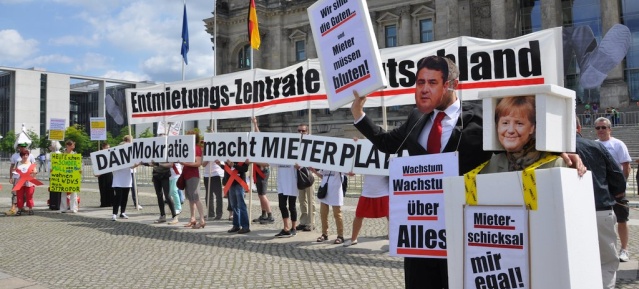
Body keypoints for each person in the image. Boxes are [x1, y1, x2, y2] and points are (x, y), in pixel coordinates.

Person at [351, 55, 491, 289]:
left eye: (432, 83)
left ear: (452, 84)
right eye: (420, 82)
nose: (424, 89)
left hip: (463, 231)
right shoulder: (417, 117)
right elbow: (388, 143)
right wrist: (358, 113)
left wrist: (556, 153)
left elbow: (514, 142)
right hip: (420, 234)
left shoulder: (483, 115)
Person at [576, 118, 625, 289]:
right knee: (606, 261)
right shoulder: (596, 146)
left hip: (569, 214)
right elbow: (618, 179)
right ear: (579, 127)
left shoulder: (550, 149)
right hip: (600, 208)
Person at [479, 95, 565, 173]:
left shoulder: (556, 165)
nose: (511, 130)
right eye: (505, 123)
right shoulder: (489, 166)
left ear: (532, 128)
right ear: (497, 126)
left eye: (519, 123)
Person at [594, 116, 632, 262]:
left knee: (622, 219)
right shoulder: (594, 144)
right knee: (602, 221)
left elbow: (626, 166)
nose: (601, 130)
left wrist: (621, 186)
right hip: (601, 189)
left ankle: (624, 249)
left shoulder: (618, 144)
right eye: (598, 128)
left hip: (616, 189)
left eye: (604, 127)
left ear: (610, 129)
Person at [343, 174, 389, 247]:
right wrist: (351, 172)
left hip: (384, 192)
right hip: (367, 192)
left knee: (390, 216)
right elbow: (355, 169)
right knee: (359, 215)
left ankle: (394, 239)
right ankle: (353, 239)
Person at [180, 131, 206, 229]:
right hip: (187, 175)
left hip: (193, 176)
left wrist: (185, 163)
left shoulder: (197, 148)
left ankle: (202, 219)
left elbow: (198, 163)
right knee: (191, 199)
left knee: (196, 198)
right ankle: (192, 218)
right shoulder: (189, 148)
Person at [311, 169, 345, 244]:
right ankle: (324, 234)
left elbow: (347, 172)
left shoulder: (339, 166)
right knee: (323, 214)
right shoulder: (325, 164)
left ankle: (340, 235)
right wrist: (314, 171)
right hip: (325, 191)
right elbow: (323, 176)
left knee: (337, 214)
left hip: (335, 192)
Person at [250, 117, 274, 224]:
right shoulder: (258, 146)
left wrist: (254, 161)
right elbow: (257, 134)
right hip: (258, 172)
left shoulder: (266, 149)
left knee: (262, 194)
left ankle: (270, 215)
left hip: (262, 172)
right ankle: (264, 214)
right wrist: (255, 124)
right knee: (260, 194)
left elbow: (266, 164)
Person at [218, 159, 250, 234]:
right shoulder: (228, 157)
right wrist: (220, 165)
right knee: (234, 206)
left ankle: (245, 226)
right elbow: (226, 168)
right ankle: (236, 225)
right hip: (230, 183)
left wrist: (234, 165)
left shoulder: (242, 156)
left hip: (239, 183)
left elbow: (245, 169)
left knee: (241, 205)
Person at [295, 123, 316, 232]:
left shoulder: (311, 143)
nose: (301, 133)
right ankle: (303, 221)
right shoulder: (295, 143)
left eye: (303, 131)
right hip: (299, 175)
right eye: (299, 131)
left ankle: (311, 222)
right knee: (302, 200)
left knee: (310, 199)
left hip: (308, 174)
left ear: (307, 132)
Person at [6, 142, 36, 216]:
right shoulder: (15, 157)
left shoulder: (31, 155)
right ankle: (15, 208)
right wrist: (11, 177)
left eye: (24, 146)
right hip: (19, 180)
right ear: (18, 147)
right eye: (21, 146)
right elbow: (12, 168)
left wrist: (34, 176)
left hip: (29, 181)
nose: (23, 147)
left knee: (28, 195)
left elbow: (34, 168)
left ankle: (28, 208)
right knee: (17, 194)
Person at [112, 145, 137, 221]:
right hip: (118, 181)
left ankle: (122, 212)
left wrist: (138, 163)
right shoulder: (114, 158)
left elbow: (132, 166)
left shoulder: (129, 157)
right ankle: (114, 213)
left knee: (125, 197)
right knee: (118, 197)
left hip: (126, 180)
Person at [272, 164, 298, 237]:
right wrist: (252, 160)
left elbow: (302, 165)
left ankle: (294, 228)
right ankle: (286, 228)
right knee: (282, 205)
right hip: (281, 184)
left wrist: (298, 166)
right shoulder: (278, 156)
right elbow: (268, 162)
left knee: (292, 207)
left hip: (292, 183)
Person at [123, 135, 143, 210]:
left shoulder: (124, 147)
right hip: (130, 170)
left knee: (127, 188)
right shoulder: (128, 147)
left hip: (129, 170)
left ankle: (122, 204)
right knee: (133, 188)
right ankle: (136, 203)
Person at [60, 140, 79, 213]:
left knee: (74, 193)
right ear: (67, 146)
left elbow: (78, 164)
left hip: (73, 175)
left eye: (73, 145)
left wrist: (79, 170)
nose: (73, 147)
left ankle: (73, 208)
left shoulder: (75, 154)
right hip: (64, 175)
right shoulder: (62, 155)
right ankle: (63, 208)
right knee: (63, 192)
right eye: (72, 145)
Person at [96, 142, 114, 208]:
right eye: (107, 147)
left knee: (111, 188)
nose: (108, 149)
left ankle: (111, 202)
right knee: (103, 188)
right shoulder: (99, 154)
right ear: (103, 148)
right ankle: (104, 202)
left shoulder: (110, 154)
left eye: (109, 147)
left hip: (109, 173)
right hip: (102, 174)